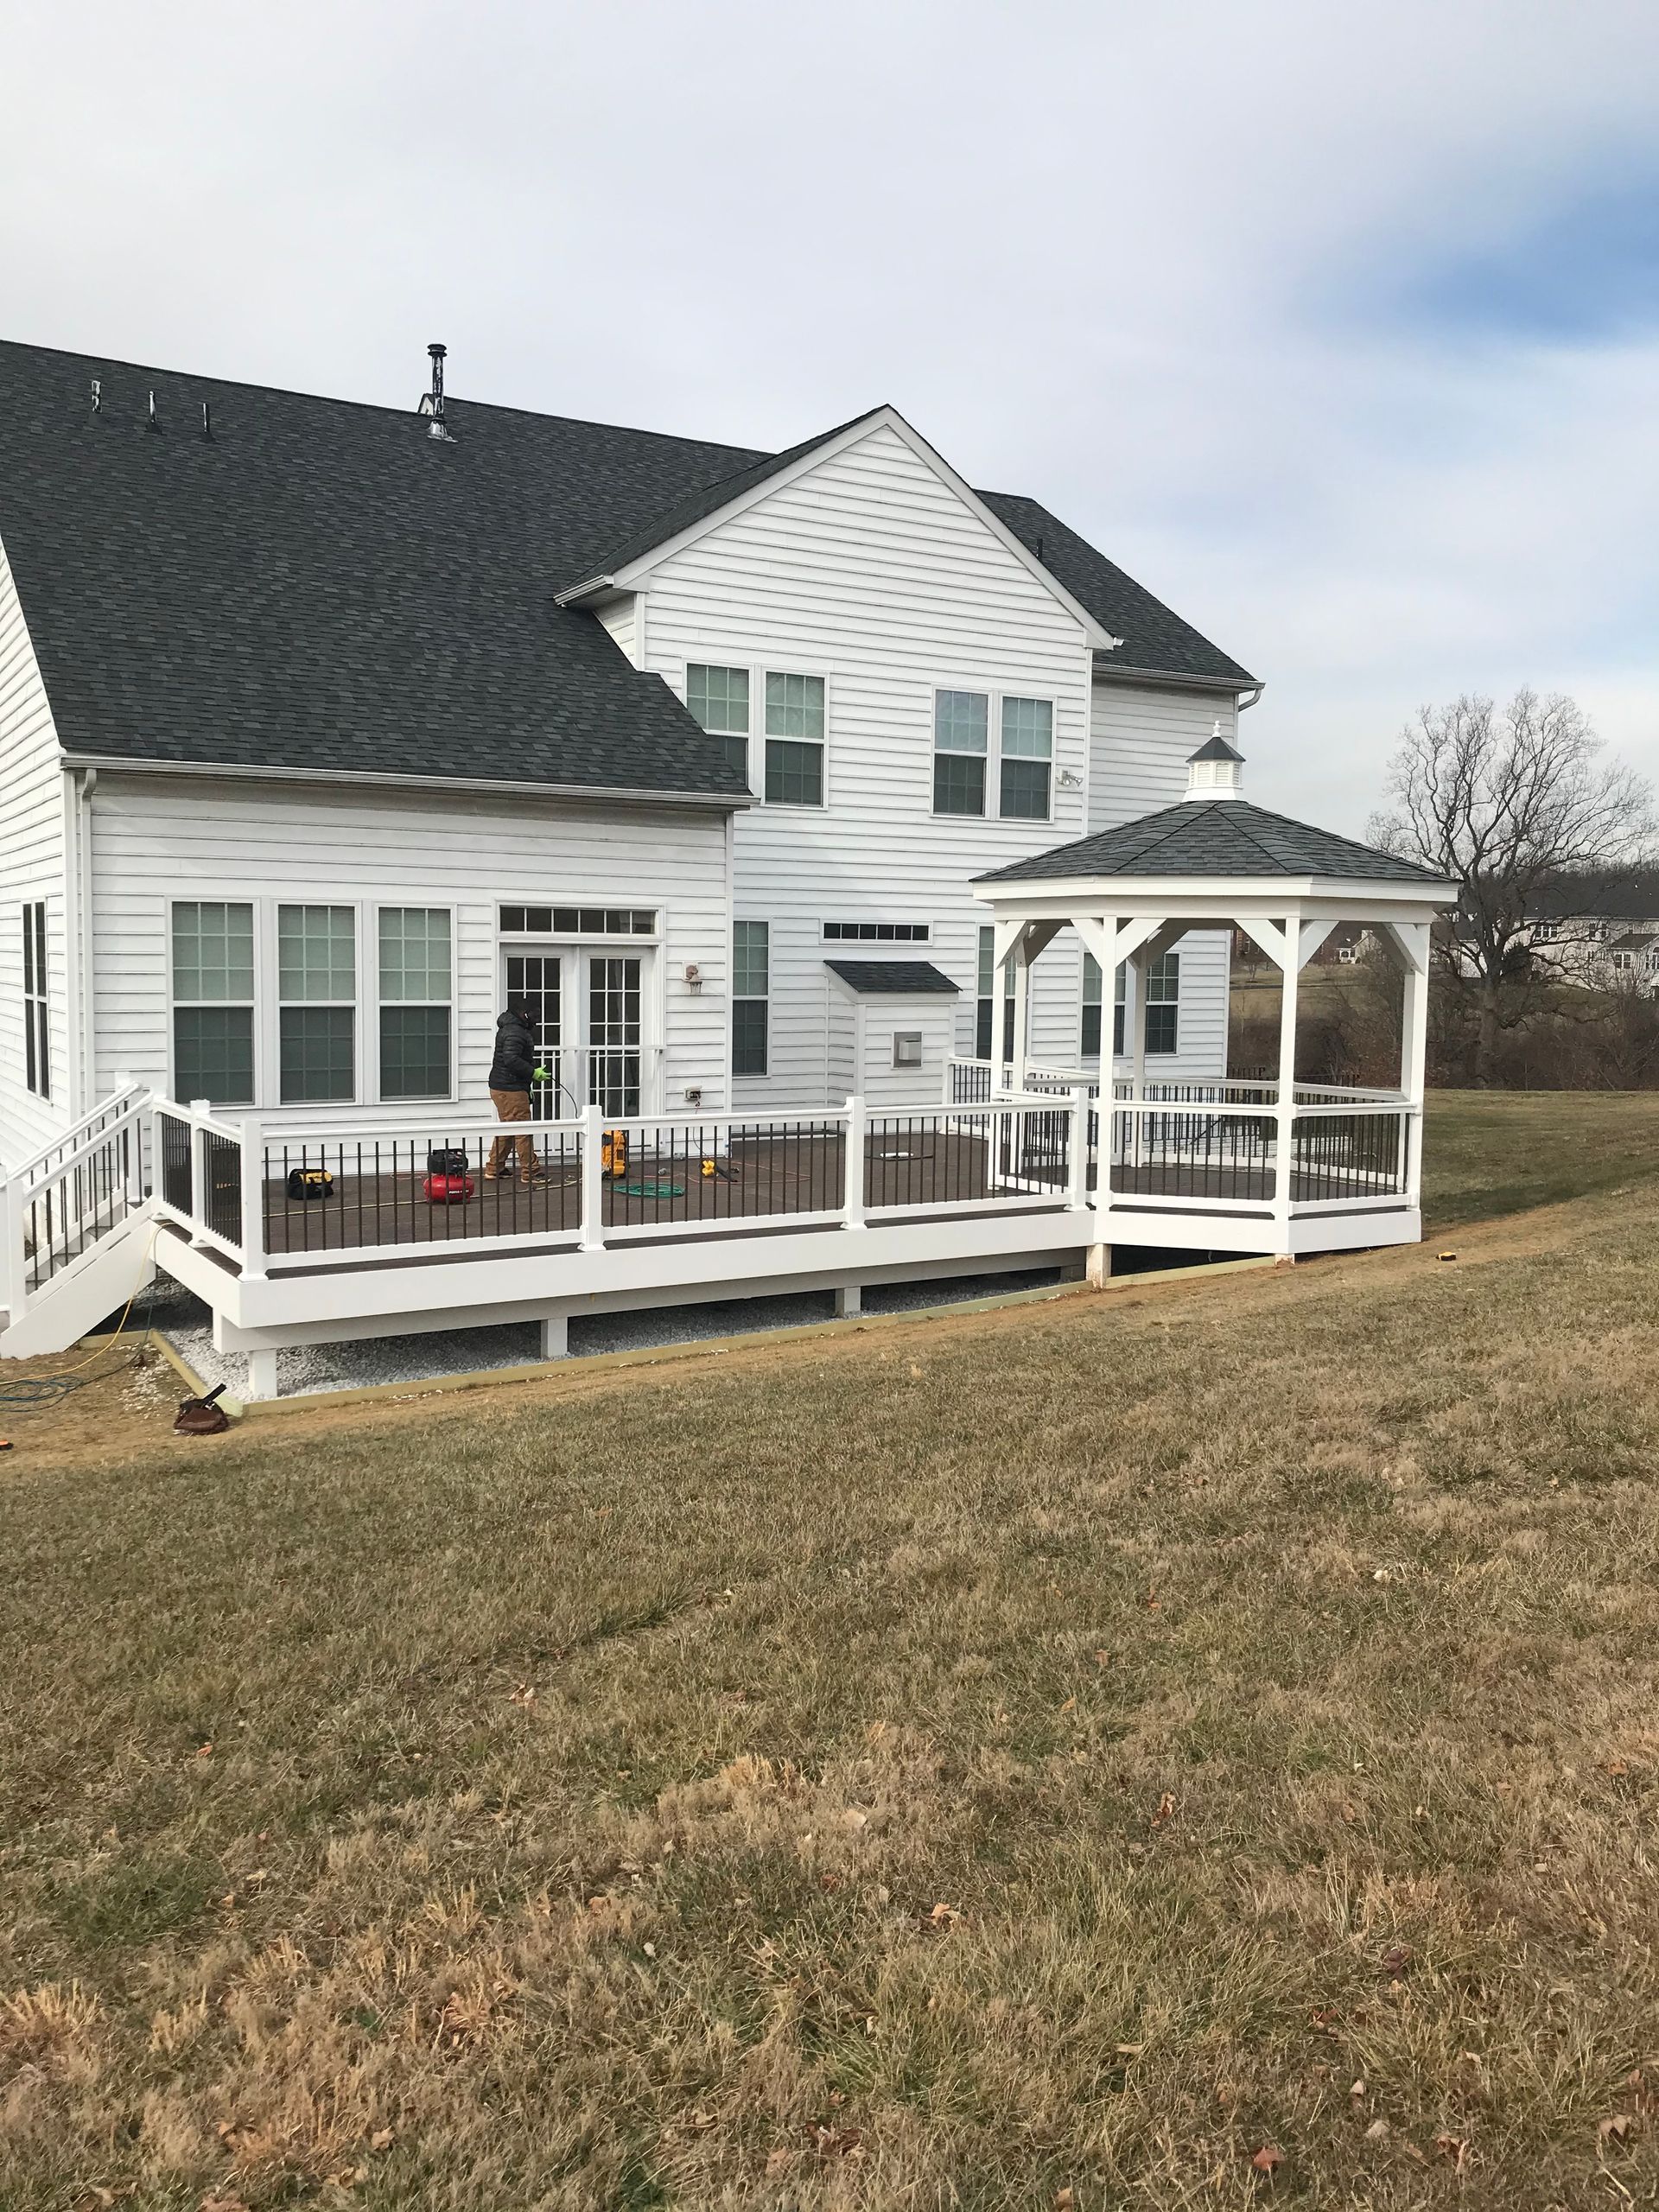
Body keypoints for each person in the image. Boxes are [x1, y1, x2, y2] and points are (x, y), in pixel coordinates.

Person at [485, 1001, 547, 1181]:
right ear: (524, 1014)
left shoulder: (511, 1028)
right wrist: (533, 1073)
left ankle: (494, 1168)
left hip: (505, 1087)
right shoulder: (515, 1031)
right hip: (510, 1088)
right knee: (523, 1129)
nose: (537, 1020)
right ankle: (531, 1172)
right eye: (535, 1016)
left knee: (509, 1128)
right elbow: (511, 1059)